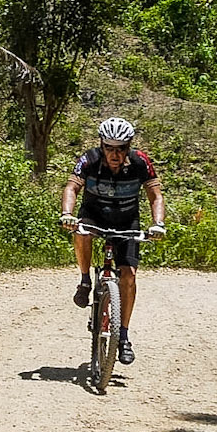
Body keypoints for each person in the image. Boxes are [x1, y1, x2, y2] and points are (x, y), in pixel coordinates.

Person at [60, 115, 165, 365]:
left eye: (120, 149)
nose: (114, 155)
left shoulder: (141, 162)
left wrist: (158, 224)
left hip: (127, 221)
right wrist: (67, 214)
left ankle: (124, 336)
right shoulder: (90, 159)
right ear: (101, 145)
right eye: (109, 148)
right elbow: (71, 188)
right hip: (94, 215)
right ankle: (85, 280)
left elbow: (155, 196)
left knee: (129, 275)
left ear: (128, 147)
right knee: (81, 231)